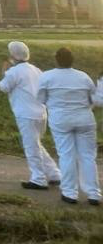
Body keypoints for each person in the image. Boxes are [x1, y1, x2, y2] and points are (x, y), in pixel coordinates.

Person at [37, 47, 101, 204]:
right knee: (87, 156)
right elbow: (93, 99)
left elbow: (40, 99)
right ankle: (94, 194)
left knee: (67, 155)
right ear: (73, 60)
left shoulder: (47, 76)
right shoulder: (83, 77)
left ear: (56, 59)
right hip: (85, 119)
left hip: (61, 120)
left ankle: (70, 193)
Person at [0, 41, 60, 190]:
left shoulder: (14, 72)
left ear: (13, 55)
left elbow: (3, 87)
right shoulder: (36, 70)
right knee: (36, 144)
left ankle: (38, 179)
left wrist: (4, 72)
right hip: (41, 113)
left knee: (31, 146)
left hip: (26, 114)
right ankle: (54, 173)